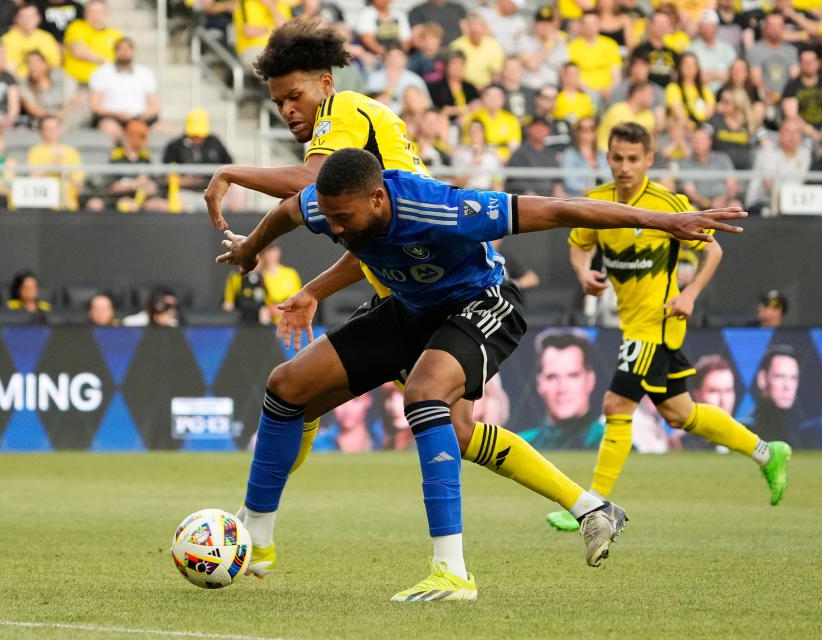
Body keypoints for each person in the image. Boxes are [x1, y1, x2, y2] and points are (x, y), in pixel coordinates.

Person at [201, 20, 730, 589]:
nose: (285, 109)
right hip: (408, 302)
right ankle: (591, 509)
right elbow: (315, 217)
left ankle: (451, 573)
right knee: (293, 389)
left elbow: (562, 210)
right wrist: (254, 253)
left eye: (293, 96)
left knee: (427, 396)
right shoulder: (340, 197)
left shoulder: (380, 151)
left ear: (325, 84)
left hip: (480, 300)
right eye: (277, 101)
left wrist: (668, 220)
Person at [549, 122, 790, 534]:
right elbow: (578, 243)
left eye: (633, 159)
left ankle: (592, 505)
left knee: (616, 406)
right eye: (617, 158)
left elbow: (712, 250)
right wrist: (582, 272)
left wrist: (691, 293)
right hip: (633, 326)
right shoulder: (598, 201)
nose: (625, 167)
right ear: (607, 158)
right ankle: (768, 453)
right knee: (682, 414)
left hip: (658, 325)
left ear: (648, 160)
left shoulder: (667, 203)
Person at [518, 330, 604, 450]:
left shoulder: (613, 446)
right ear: (539, 383)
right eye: (552, 377)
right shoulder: (521, 445)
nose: (562, 388)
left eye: (572, 375)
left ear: (590, 380)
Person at [163, 109, 235, 213]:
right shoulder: (175, 146)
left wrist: (218, 184)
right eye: (193, 134)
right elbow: (167, 176)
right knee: (181, 203)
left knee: (235, 196)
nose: (197, 138)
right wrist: (188, 181)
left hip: (214, 192)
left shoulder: (215, 143)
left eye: (200, 134)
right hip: (186, 193)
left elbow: (230, 167)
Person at [89, 38, 160, 140]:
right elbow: (95, 105)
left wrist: (142, 116)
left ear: (133, 51)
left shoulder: (145, 73)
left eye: (128, 49)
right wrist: (118, 114)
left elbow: (155, 106)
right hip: (112, 117)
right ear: (115, 51)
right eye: (121, 49)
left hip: (140, 118)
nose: (125, 52)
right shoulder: (102, 72)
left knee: (166, 131)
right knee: (112, 130)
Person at [222, 243, 301, 325]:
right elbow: (229, 305)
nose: (270, 255)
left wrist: (272, 309)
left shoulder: (291, 274)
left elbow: (296, 303)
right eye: (266, 252)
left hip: (288, 322)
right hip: (257, 323)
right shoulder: (253, 277)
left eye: (273, 251)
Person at [745, 117, 811, 214]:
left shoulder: (805, 155)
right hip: (762, 201)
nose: (792, 136)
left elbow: (804, 183)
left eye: (796, 132)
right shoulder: (767, 152)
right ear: (780, 133)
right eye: (788, 131)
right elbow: (768, 185)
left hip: (793, 203)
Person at [672, 354, 738, 450]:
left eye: (728, 391)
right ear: (696, 395)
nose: (723, 400)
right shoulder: (681, 443)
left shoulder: (748, 438)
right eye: (714, 391)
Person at [27, 115, 85, 211]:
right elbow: (33, 178)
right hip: (43, 207)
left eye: (54, 128)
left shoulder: (71, 151)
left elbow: (79, 185)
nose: (51, 132)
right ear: (41, 131)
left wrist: (64, 170)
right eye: (47, 128)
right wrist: (52, 166)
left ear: (60, 129)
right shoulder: (35, 151)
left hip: (68, 206)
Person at [747, 345, 801, 444]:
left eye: (793, 378)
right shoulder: (746, 430)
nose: (787, 386)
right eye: (779, 376)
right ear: (762, 379)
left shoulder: (805, 434)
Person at [62, 0, 123, 86]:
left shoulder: (116, 34)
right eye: (91, 12)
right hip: (79, 82)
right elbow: (79, 52)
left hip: (108, 83)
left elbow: (122, 58)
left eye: (99, 12)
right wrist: (107, 63)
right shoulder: (76, 27)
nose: (95, 15)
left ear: (106, 13)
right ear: (85, 14)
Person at [746, 11, 799, 111]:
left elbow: (794, 77)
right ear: (764, 28)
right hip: (764, 97)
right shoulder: (755, 50)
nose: (775, 29)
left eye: (778, 26)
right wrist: (769, 94)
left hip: (787, 97)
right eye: (772, 25)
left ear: (783, 28)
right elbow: (756, 79)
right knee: (759, 108)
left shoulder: (791, 50)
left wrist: (783, 95)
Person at [19, 50, 86, 129]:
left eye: (37, 62)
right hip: (44, 121)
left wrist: (61, 114)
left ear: (45, 64)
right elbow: (33, 110)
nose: (34, 66)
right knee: (50, 125)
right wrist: (54, 118)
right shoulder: (24, 85)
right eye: (30, 63)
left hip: (67, 115)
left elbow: (75, 99)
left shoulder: (60, 77)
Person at [680, 126, 741, 210]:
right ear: (691, 143)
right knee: (689, 210)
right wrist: (708, 203)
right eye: (695, 141)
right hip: (699, 205)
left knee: (736, 206)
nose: (698, 144)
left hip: (724, 200)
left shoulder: (722, 158)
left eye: (701, 140)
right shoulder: (685, 163)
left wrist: (723, 199)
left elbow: (732, 184)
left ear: (709, 142)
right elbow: (690, 192)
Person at [567, 10, 622, 102]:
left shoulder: (610, 44)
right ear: (581, 26)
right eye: (587, 24)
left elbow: (616, 73)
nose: (590, 27)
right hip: (584, 91)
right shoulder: (572, 47)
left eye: (593, 23)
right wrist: (590, 91)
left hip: (608, 91)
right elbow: (573, 75)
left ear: (599, 24)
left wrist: (610, 88)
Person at [782, 47, 822, 135]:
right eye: (805, 62)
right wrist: (811, 131)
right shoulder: (791, 86)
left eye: (812, 61)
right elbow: (792, 116)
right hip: (801, 129)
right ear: (800, 64)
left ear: (818, 63)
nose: (809, 64)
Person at [0, 3, 60, 78]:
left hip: (44, 79)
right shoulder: (6, 40)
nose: (27, 20)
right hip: (20, 80)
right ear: (16, 19)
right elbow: (7, 67)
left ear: (38, 18)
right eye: (24, 16)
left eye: (31, 16)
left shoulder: (47, 38)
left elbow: (55, 63)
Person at [504, 116, 561, 196]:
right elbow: (519, 184)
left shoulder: (551, 155)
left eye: (544, 127)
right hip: (524, 200)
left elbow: (557, 184)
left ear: (548, 131)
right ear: (529, 129)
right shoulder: (519, 154)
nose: (540, 130)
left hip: (548, 200)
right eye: (536, 126)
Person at [517, 5, 569, 92]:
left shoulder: (560, 44)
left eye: (549, 23)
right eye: (541, 22)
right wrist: (548, 45)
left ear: (554, 25)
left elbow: (563, 71)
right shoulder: (524, 41)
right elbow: (532, 65)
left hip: (553, 90)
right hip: (530, 89)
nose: (545, 27)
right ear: (535, 24)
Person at [364, 48, 429, 115]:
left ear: (405, 60)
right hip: (380, 115)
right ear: (385, 59)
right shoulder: (375, 77)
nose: (394, 60)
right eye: (391, 57)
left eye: (398, 57)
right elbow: (366, 101)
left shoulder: (415, 79)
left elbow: (426, 104)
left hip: (408, 117)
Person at [449, 11, 504, 90]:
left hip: (486, 89)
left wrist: (491, 88)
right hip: (462, 87)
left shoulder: (494, 45)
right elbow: (453, 73)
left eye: (478, 27)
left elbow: (496, 73)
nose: (475, 30)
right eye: (472, 27)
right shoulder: (456, 45)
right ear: (467, 28)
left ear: (484, 28)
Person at [687, 10, 736, 94]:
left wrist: (712, 75)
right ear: (699, 28)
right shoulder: (691, 49)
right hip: (698, 92)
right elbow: (689, 75)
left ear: (716, 27)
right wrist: (719, 75)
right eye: (704, 26)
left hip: (724, 92)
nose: (707, 29)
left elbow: (734, 75)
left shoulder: (727, 49)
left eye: (710, 26)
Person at [708, 88, 758, 170]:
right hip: (720, 170)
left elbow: (762, 142)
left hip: (746, 170)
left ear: (738, 104)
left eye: (726, 102)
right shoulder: (714, 121)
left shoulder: (749, 124)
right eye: (721, 100)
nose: (721, 103)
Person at [312, 393, 382, 452]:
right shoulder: (316, 444)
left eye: (355, 400)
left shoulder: (383, 440)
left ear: (367, 400)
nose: (347, 409)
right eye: (340, 401)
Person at [233, 0, 292, 69]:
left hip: (278, 48)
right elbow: (250, 31)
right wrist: (273, 29)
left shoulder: (283, 6)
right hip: (252, 48)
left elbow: (286, 31)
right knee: (275, 63)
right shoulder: (247, 4)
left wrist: (271, 7)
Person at [426, 49, 479, 124]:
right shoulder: (436, 88)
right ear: (447, 66)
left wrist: (453, 110)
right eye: (455, 64)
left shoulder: (470, 87)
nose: (459, 67)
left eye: (461, 64)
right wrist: (466, 109)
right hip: (446, 124)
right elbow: (439, 111)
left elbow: (476, 105)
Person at [561, 117, 610, 196]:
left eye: (592, 128)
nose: (588, 132)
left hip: (601, 198)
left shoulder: (602, 155)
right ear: (577, 132)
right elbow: (570, 182)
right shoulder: (569, 154)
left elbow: (609, 178)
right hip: (578, 199)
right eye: (583, 129)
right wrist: (590, 190)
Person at [450, 119, 503, 191]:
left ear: (483, 133)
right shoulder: (461, 153)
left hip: (488, 192)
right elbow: (459, 183)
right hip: (468, 192)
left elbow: (498, 182)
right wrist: (472, 166)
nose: (475, 134)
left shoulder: (493, 153)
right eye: (472, 131)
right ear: (468, 133)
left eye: (478, 131)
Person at [665, 52, 715, 125]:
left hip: (703, 129)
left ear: (697, 68)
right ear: (680, 67)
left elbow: (710, 112)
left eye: (693, 64)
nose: (689, 67)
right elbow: (679, 115)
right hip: (683, 128)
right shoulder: (673, 88)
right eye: (686, 64)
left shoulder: (705, 89)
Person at [632, 10, 679, 88]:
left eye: (665, 24)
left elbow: (676, 76)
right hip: (646, 93)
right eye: (659, 24)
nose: (662, 27)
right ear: (650, 25)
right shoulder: (640, 50)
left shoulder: (672, 53)